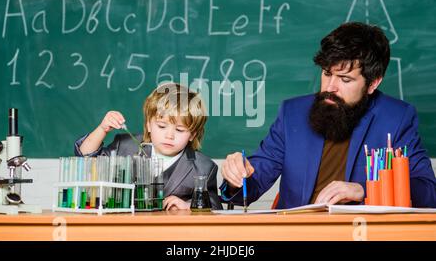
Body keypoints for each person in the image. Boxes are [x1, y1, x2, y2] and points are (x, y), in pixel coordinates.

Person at [220, 22, 436, 208]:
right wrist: (237, 177)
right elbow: (253, 185)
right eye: (326, 73)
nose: (330, 87)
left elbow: (428, 192)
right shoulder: (291, 114)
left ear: (373, 83)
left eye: (345, 79)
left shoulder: (397, 118)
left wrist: (364, 190)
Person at [74, 83, 222, 210]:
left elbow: (215, 206)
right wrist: (102, 128)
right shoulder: (124, 147)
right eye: (162, 126)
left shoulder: (204, 167)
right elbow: (86, 156)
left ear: (192, 135)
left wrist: (189, 205)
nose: (169, 135)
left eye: (179, 130)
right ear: (148, 125)